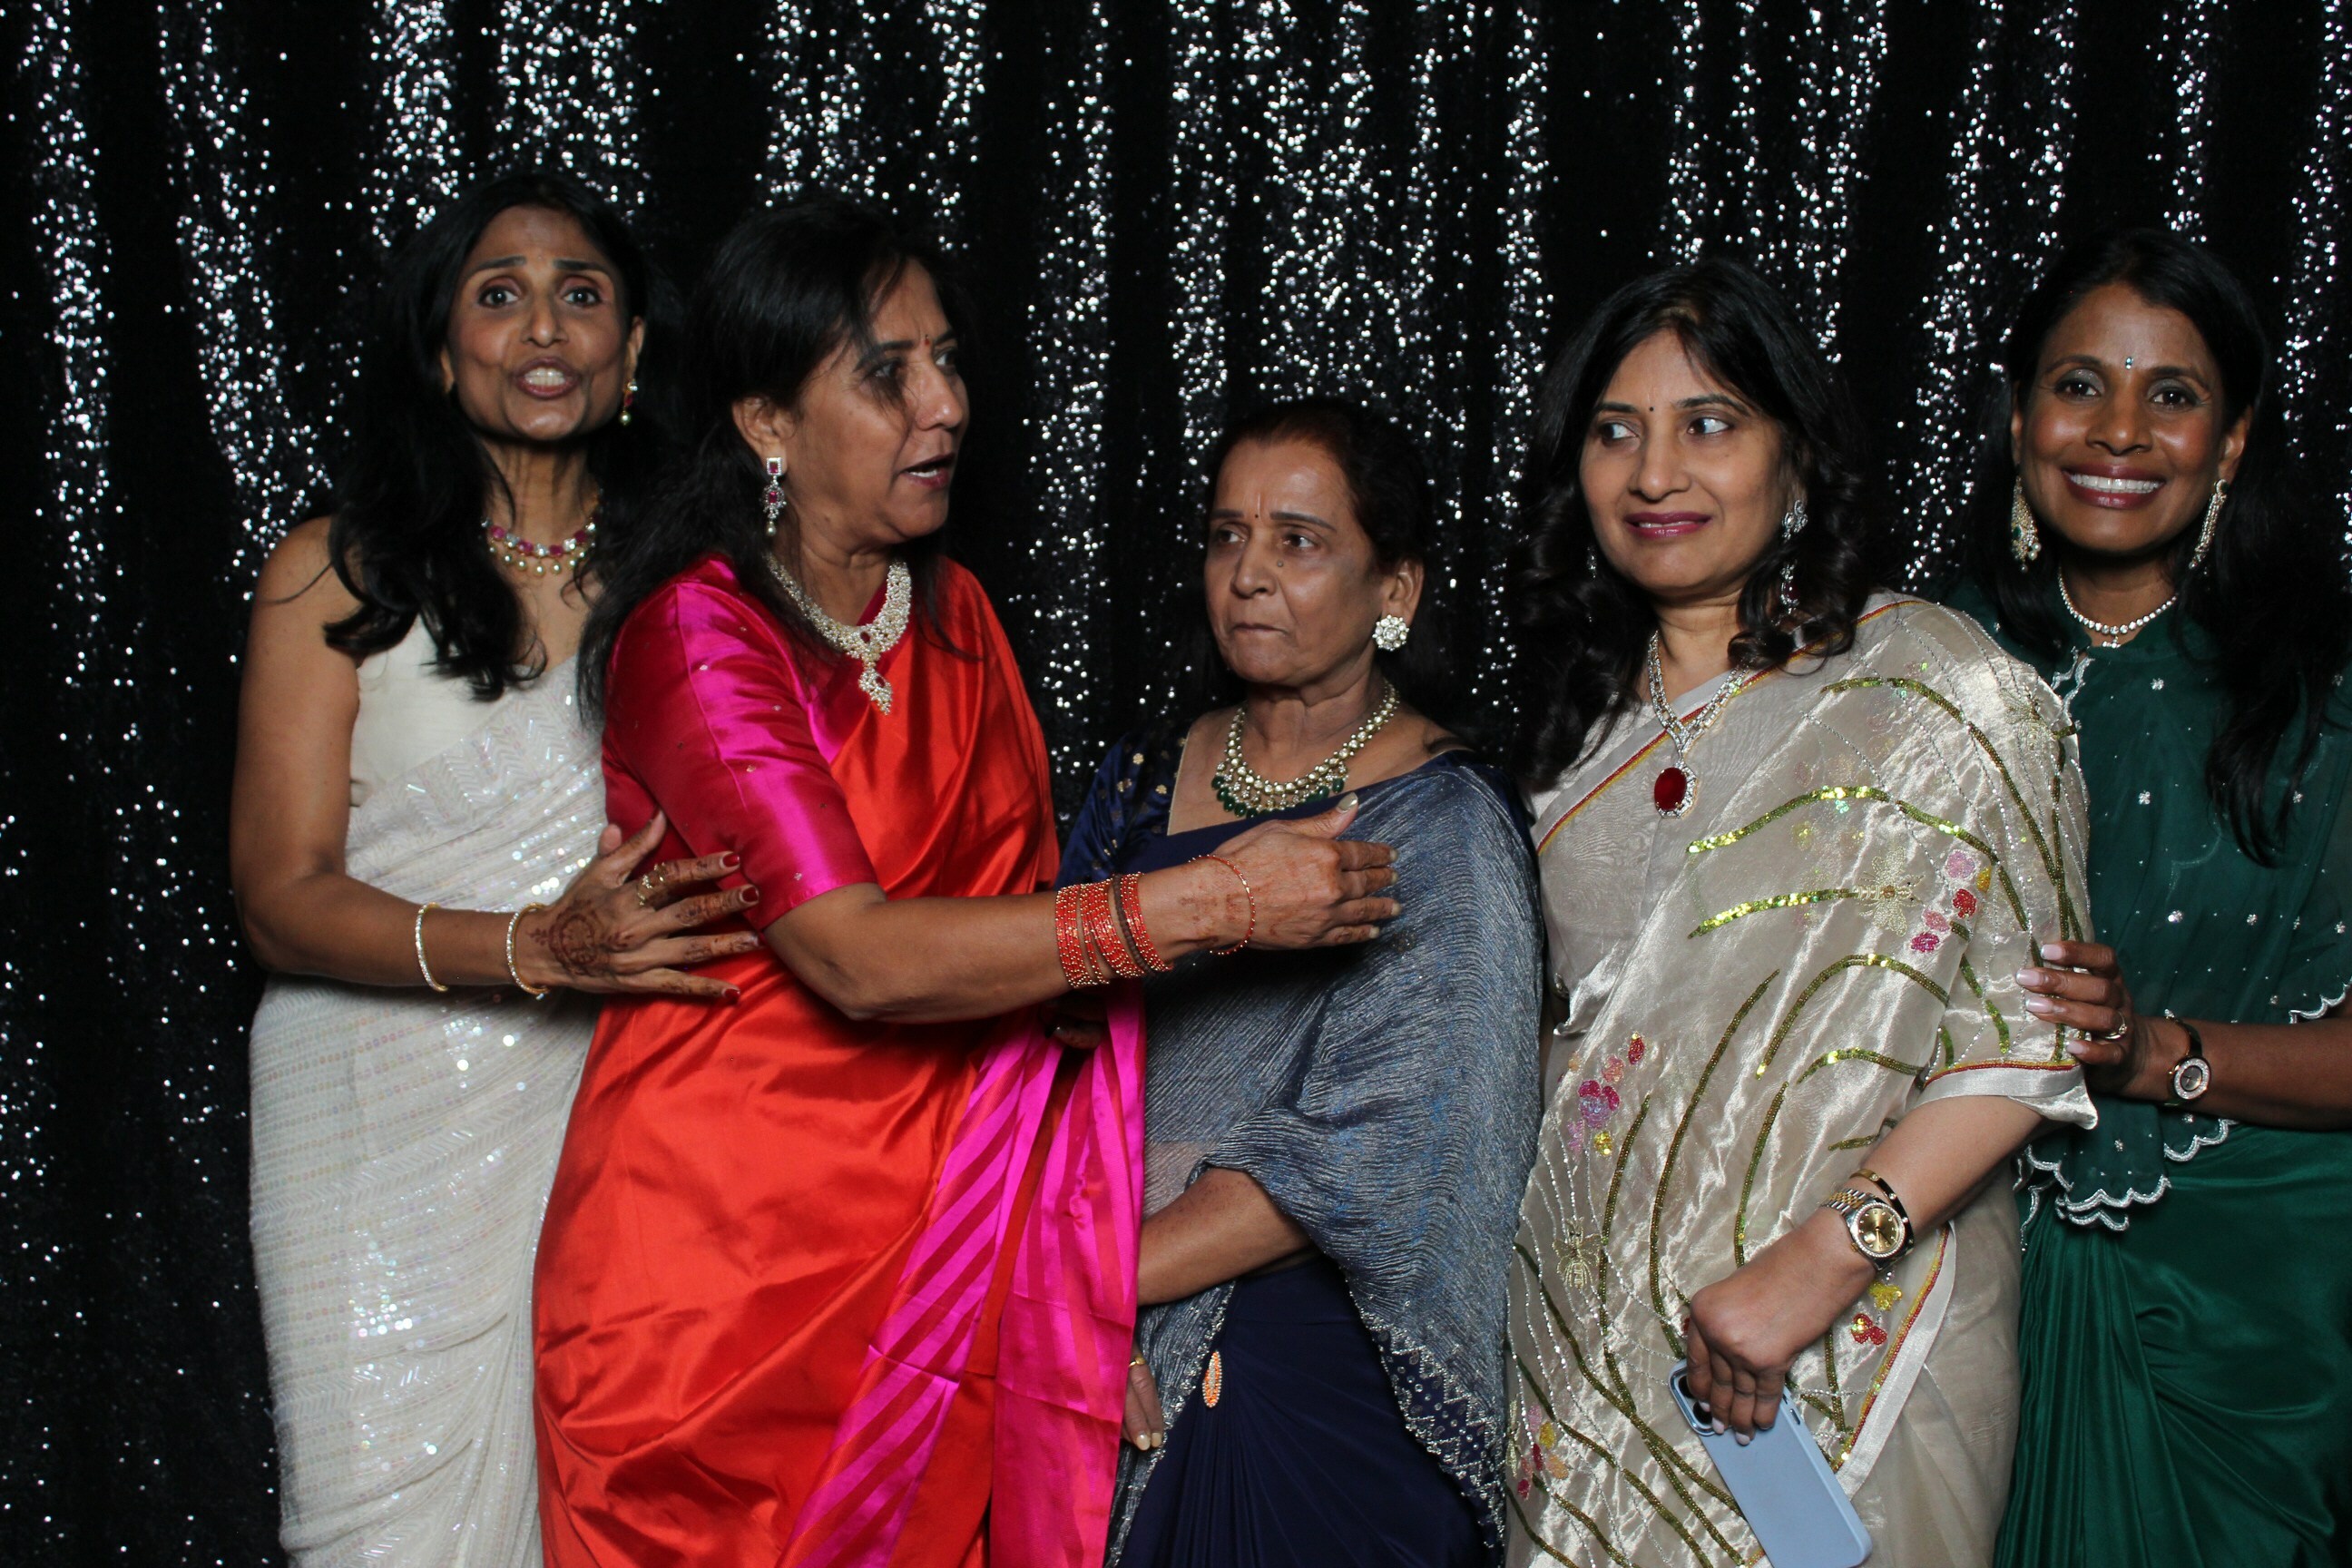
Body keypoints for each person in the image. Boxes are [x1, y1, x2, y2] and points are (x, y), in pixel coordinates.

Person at [530, 197, 1398, 1568]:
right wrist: (1213, 903)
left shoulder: (957, 617)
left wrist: (1059, 1300)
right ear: (766, 422)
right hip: (712, 1285)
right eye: (888, 374)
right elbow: (859, 959)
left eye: (947, 362)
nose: (944, 406)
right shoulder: (699, 636)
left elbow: (1034, 994)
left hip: (938, 1268)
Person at [1502, 259, 2096, 1568]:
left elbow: (2029, 1040)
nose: (1656, 472)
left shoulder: (1940, 689)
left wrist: (1817, 1267)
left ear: (1799, 458)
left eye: (1708, 423)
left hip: (1857, 1341)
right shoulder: (1569, 745)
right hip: (1586, 1350)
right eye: (1616, 431)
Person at [231, 171, 755, 1566]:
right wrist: (532, 948)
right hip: (372, 1119)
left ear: (632, 349)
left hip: (614, 1119)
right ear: (438, 347)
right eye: (499, 295)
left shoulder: (698, 592)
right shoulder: (332, 575)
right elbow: (278, 897)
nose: (542, 329)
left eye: (581, 295)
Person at [1061, 398, 1542, 1566]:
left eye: (1300, 541)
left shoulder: (1443, 820)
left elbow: (1387, 1155)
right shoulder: (1139, 777)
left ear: (1395, 588)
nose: (1250, 575)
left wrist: (1080, 1293)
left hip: (1308, 1374)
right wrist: (1073, 1305)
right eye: (1228, 536)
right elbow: (1051, 1050)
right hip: (1103, 1323)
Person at [1944, 229, 2352, 1568]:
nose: (2119, 431)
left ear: (2230, 443)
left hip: (2240, 1312)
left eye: (2171, 395)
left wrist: (2152, 1054)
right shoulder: (1918, 668)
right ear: (2020, 419)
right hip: (1949, 1279)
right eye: (2080, 386)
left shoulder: (2319, 701)